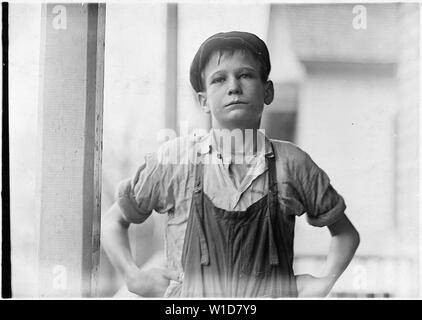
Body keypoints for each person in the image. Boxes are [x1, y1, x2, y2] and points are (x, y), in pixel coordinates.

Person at [101, 31, 360, 298]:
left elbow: (345, 234)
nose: (233, 86)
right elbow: (113, 222)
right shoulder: (175, 160)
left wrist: (323, 282)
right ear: (203, 101)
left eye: (245, 75)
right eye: (219, 79)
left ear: (268, 91)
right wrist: (133, 276)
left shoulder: (292, 164)